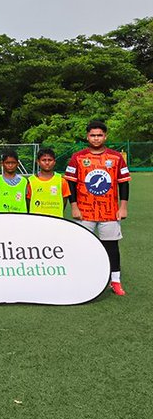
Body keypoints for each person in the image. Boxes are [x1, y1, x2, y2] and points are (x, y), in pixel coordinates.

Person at [65, 119, 130, 296]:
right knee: (82, 246)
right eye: (92, 135)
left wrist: (123, 207)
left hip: (109, 211)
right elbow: (70, 184)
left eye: (99, 135)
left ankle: (115, 281)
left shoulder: (116, 158)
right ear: (87, 136)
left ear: (105, 136)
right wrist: (74, 206)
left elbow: (123, 183)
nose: (96, 138)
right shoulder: (77, 157)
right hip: (84, 212)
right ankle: (80, 278)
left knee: (111, 246)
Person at [27, 147, 70, 218]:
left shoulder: (61, 180)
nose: (47, 163)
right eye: (44, 160)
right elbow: (29, 201)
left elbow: (64, 201)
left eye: (50, 160)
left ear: (54, 162)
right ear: (38, 162)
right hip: (36, 220)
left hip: (56, 220)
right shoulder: (31, 181)